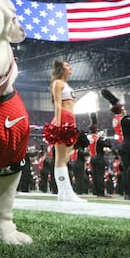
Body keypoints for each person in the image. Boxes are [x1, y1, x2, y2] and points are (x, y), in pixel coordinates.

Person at [43, 60, 86, 202]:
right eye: (67, 65)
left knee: (65, 158)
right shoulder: (57, 83)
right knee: (61, 159)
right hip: (63, 120)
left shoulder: (66, 84)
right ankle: (67, 192)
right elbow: (57, 104)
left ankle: (63, 193)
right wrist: (59, 125)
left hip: (70, 120)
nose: (70, 67)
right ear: (61, 69)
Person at [101, 89, 130, 201]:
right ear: (120, 109)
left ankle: (127, 193)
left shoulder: (115, 119)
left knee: (126, 170)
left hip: (121, 145)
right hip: (129, 144)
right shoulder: (124, 119)